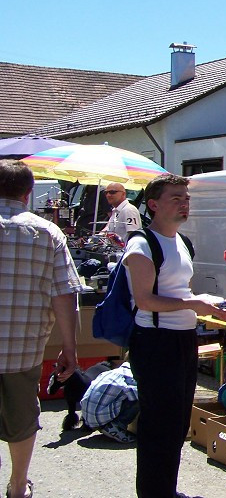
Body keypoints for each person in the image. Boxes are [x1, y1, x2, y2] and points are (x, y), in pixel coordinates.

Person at [123, 173, 226, 498]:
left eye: (186, 199)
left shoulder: (183, 242)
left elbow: (180, 291)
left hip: (183, 340)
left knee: (177, 425)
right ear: (153, 204)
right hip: (156, 343)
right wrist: (196, 304)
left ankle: (165, 491)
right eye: (176, 198)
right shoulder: (142, 243)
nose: (184, 204)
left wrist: (210, 303)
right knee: (159, 426)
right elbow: (145, 300)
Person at [0, 159, 81, 498]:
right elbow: (64, 294)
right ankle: (18, 486)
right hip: (22, 349)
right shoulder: (47, 233)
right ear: (29, 192)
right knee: (21, 419)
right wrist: (70, 349)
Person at [81, 360, 139, 444]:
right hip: (100, 417)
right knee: (141, 395)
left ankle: (105, 425)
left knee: (122, 394)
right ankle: (117, 426)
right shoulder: (129, 375)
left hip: (88, 417)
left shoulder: (110, 373)